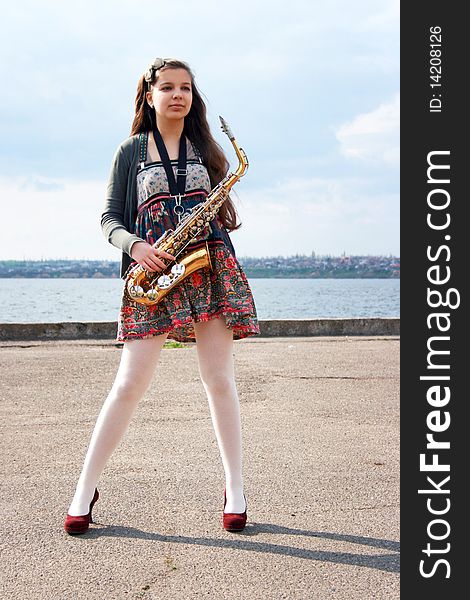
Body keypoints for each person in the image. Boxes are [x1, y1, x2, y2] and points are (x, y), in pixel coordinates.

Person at [63, 57, 260, 535]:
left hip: (208, 266)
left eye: (186, 88)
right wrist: (136, 246)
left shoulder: (207, 148)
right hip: (152, 271)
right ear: (148, 94)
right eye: (168, 87)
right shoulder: (130, 150)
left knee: (219, 379)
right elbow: (109, 218)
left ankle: (235, 488)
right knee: (128, 385)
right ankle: (85, 488)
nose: (178, 95)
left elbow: (218, 206)